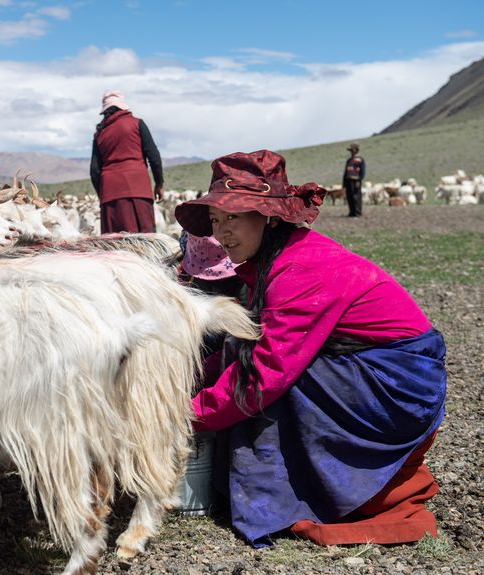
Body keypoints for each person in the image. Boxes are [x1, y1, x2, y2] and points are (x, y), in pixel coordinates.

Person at [173, 149, 446, 548]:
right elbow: (240, 346)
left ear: (268, 216)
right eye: (216, 220)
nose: (222, 232)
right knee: (243, 347)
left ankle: (300, 497)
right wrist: (181, 381)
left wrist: (180, 416)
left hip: (398, 389)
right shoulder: (270, 262)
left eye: (233, 217)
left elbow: (265, 374)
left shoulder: (300, 269)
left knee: (278, 377)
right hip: (373, 371)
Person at [90, 90, 163, 233]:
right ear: (122, 106)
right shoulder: (137, 124)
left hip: (110, 194)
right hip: (139, 189)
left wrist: (104, 195)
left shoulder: (99, 133)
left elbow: (94, 171)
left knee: (114, 246)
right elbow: (154, 156)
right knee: (146, 241)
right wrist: (159, 184)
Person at [342, 142, 365, 217]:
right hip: (348, 180)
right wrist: (344, 183)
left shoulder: (360, 160)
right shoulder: (348, 160)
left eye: (352, 150)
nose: (351, 152)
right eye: (351, 150)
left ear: (356, 150)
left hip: (356, 180)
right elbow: (346, 172)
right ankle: (351, 212)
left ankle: (357, 212)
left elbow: (362, 171)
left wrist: (359, 180)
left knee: (356, 196)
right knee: (350, 196)